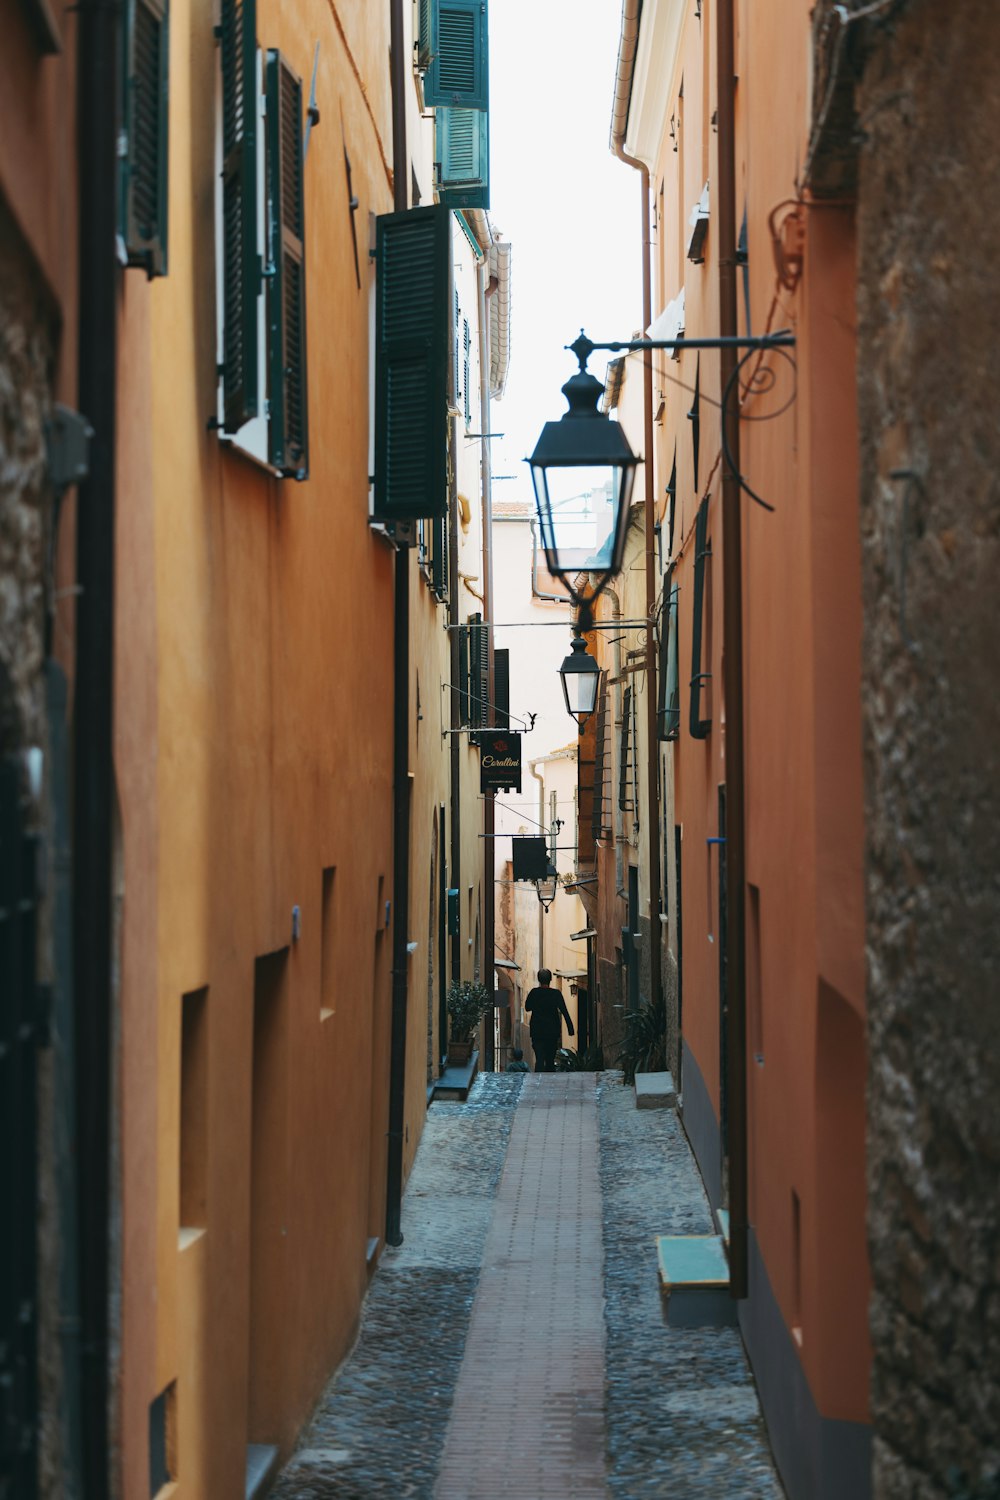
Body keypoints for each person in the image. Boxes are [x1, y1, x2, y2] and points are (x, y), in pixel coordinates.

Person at [524, 969, 574, 1073]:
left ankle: (539, 1081)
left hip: (537, 1031)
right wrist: (570, 1028)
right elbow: (564, 1010)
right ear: (550, 979)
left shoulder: (534, 993)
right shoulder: (556, 994)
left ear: (538, 979)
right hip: (552, 1031)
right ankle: (549, 1082)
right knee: (550, 1060)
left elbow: (527, 1007)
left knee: (539, 1059)